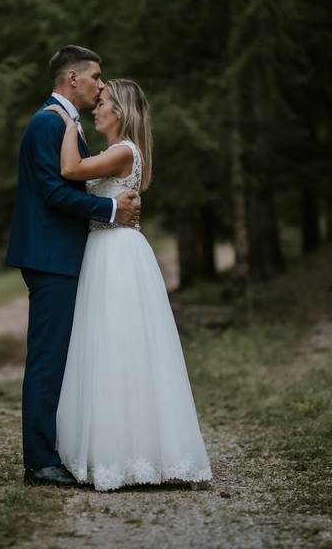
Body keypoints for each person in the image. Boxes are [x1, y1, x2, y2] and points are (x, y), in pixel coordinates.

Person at [49, 79, 212, 491]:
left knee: (117, 346)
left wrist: (68, 122)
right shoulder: (118, 151)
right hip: (106, 248)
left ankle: (129, 455)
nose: (95, 109)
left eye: (101, 104)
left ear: (118, 112)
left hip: (115, 253)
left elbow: (69, 170)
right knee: (111, 348)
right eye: (95, 104)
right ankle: (119, 449)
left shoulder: (123, 152)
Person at [4, 46, 141, 487]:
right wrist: (111, 210)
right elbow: (52, 194)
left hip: (60, 255)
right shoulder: (50, 121)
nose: (101, 85)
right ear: (73, 79)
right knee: (47, 358)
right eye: (96, 77)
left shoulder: (63, 123)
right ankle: (40, 461)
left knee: (61, 357)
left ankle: (54, 451)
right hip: (50, 257)